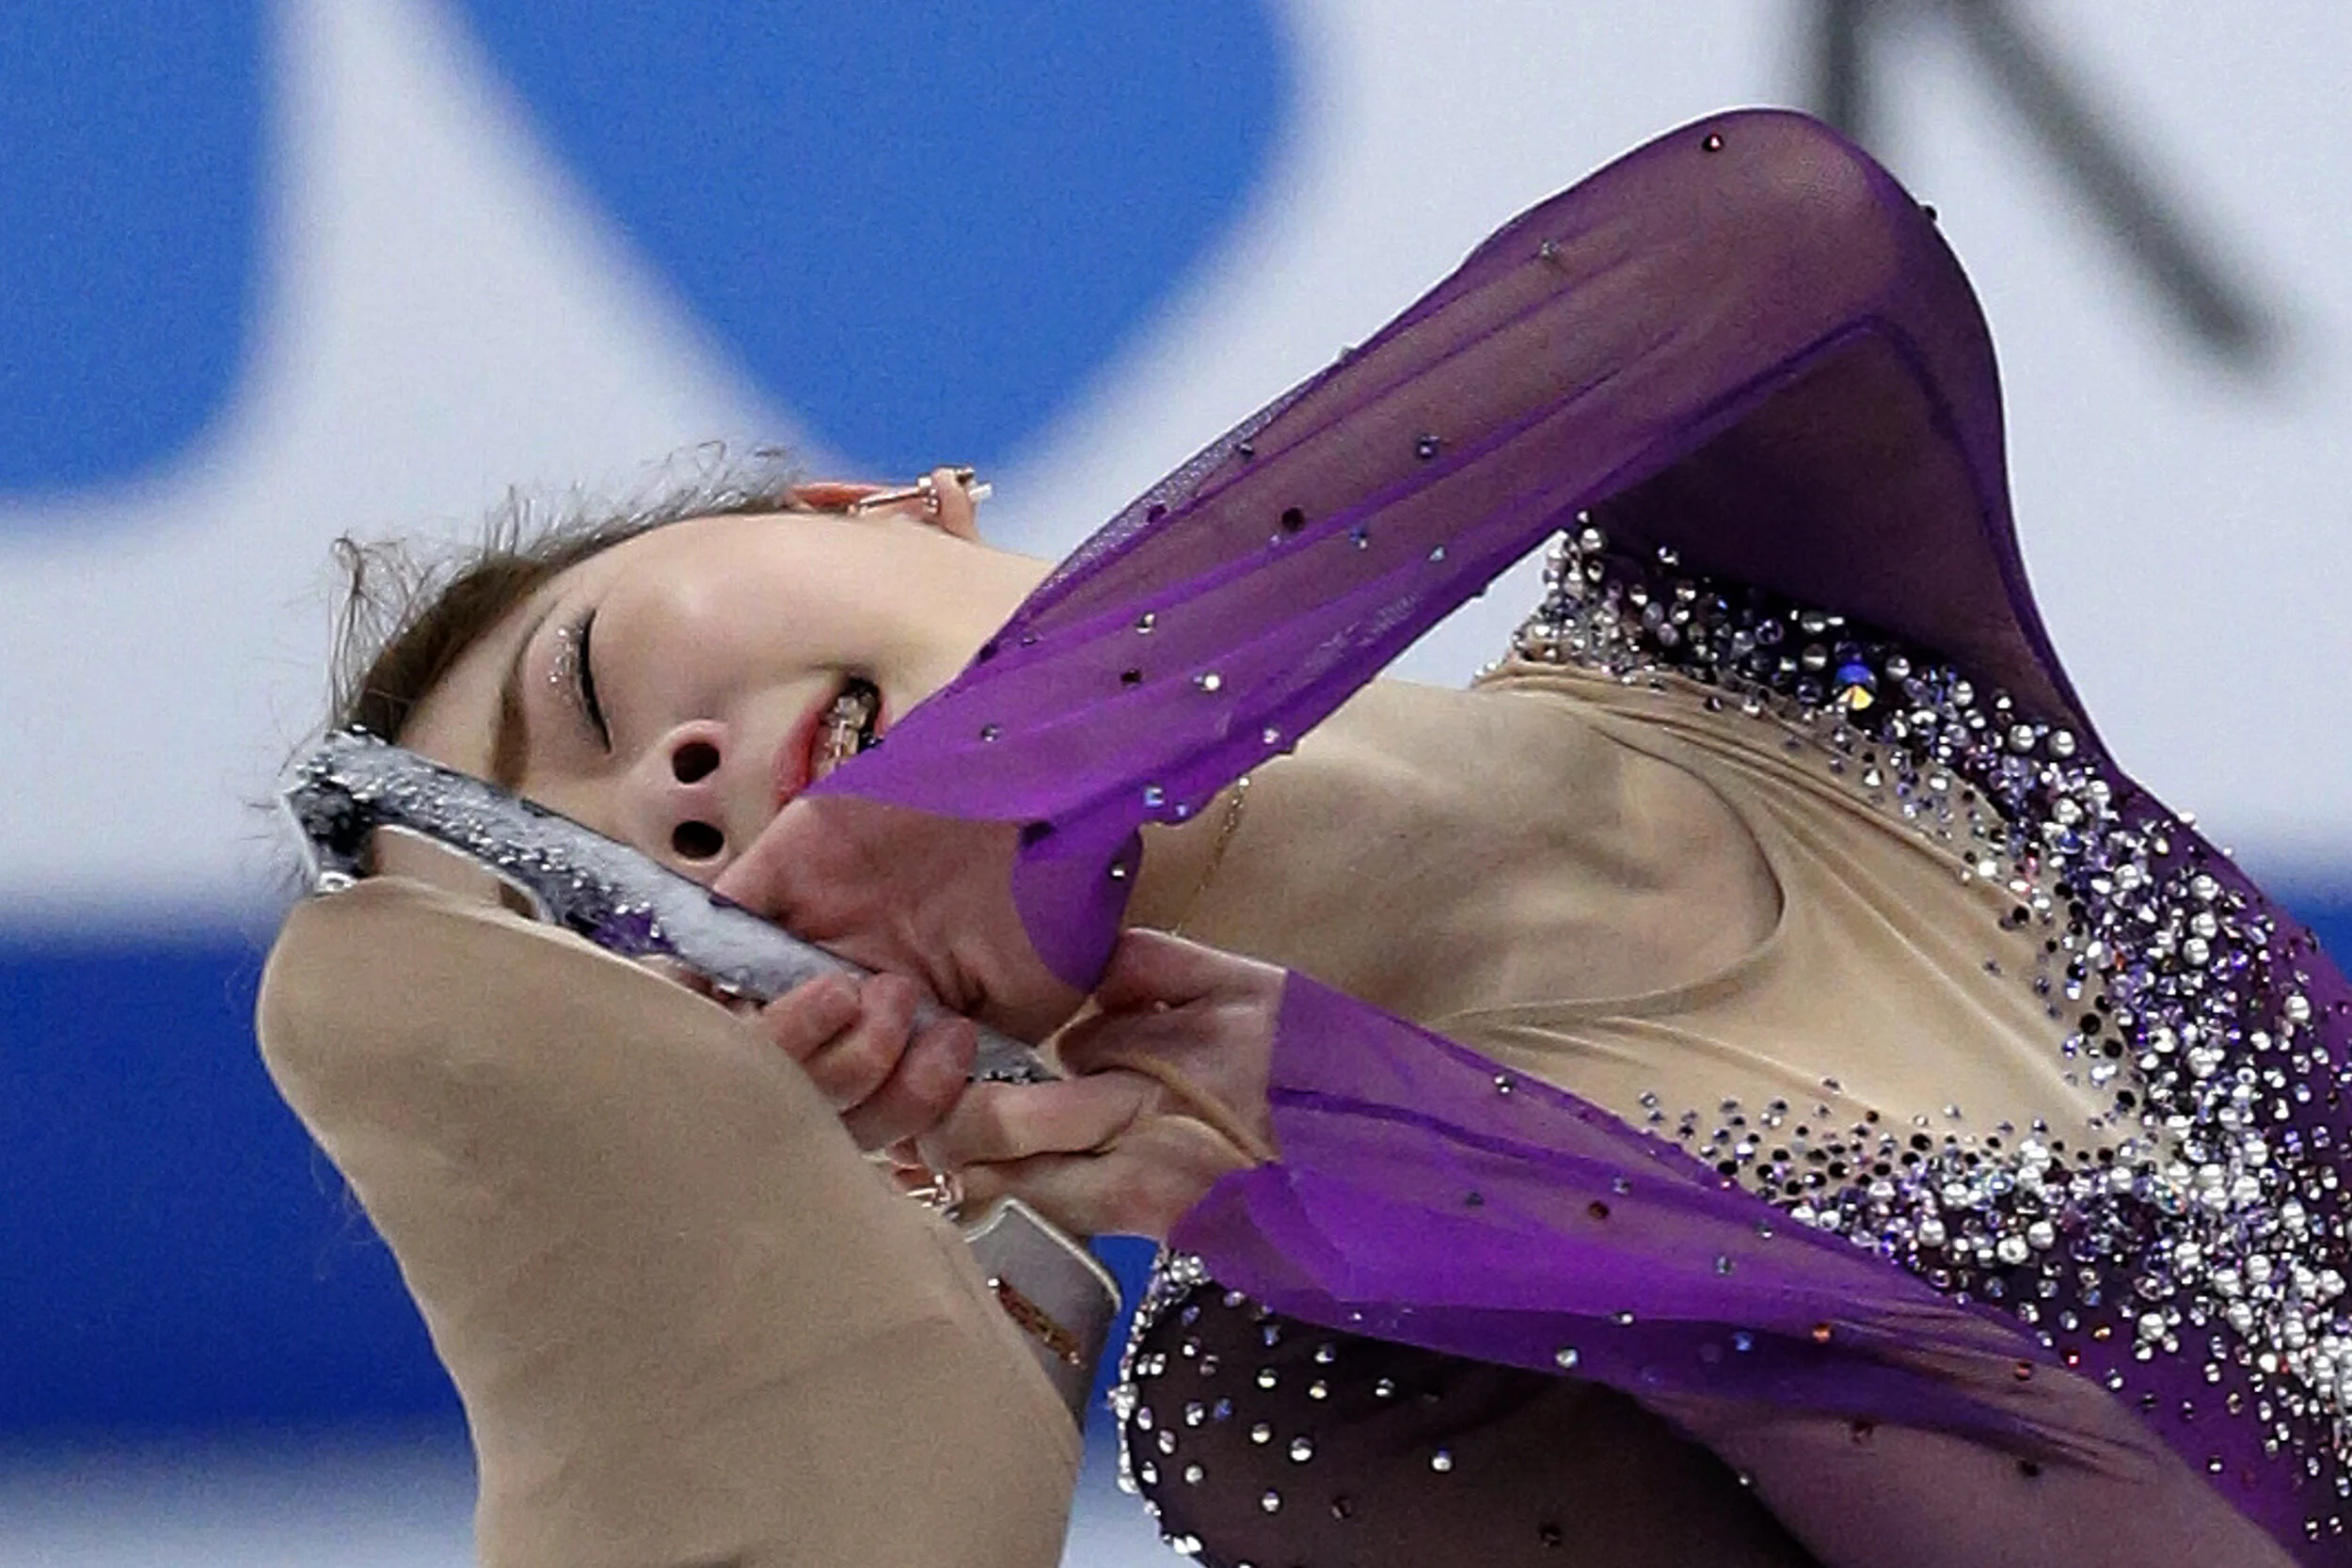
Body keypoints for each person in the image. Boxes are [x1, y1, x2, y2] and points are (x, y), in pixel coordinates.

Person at [259, 110, 2348, 1567]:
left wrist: (1040, 768)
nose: (682, 807)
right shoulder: (1332, 1393)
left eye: (603, 701)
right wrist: (1395, 1169)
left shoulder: (1756, 641)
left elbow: (1785, 230)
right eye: (645, 919)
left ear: (876, 507)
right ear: (852, 1101)